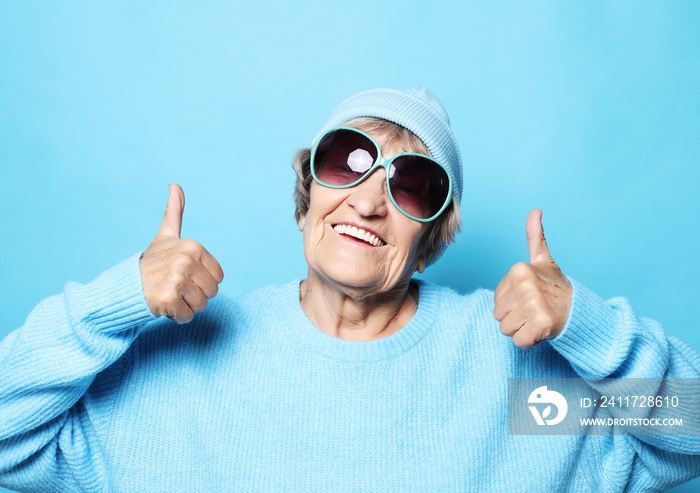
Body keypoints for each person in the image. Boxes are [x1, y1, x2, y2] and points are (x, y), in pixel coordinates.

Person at [0, 87, 698, 492]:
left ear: (429, 240)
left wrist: (589, 325)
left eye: (410, 184)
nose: (368, 202)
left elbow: (689, 432)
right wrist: (118, 299)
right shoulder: (181, 369)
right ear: (307, 197)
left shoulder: (508, 379)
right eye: (348, 162)